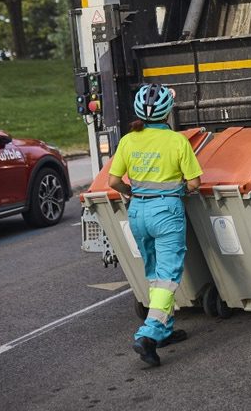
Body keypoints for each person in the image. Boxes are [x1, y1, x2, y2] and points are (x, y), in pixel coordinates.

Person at [107, 83, 203, 367]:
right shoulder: (177, 142)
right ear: (167, 112)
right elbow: (195, 183)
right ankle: (148, 335)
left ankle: (165, 329)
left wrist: (132, 192)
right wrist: (180, 190)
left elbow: (113, 182)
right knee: (167, 274)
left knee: (153, 272)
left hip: (138, 212)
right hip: (166, 211)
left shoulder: (128, 140)